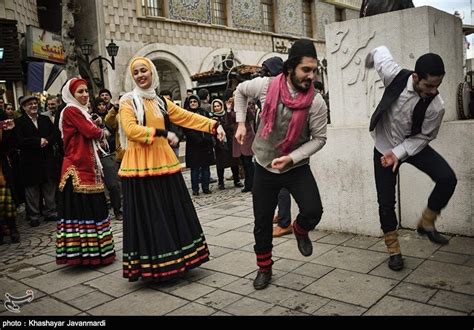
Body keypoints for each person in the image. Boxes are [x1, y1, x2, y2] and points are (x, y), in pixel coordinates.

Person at [118, 56, 225, 282]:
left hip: (164, 162)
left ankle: (178, 260)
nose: (140, 75)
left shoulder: (160, 102)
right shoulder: (128, 101)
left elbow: (186, 117)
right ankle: (156, 265)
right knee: (152, 214)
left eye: (144, 70)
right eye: (136, 72)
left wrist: (213, 125)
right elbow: (130, 129)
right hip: (140, 167)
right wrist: (161, 133)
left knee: (171, 211)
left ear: (152, 73)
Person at [234, 39, 328, 290]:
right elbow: (240, 91)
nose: (311, 75)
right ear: (290, 69)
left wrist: (293, 157)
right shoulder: (265, 86)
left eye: (314, 70)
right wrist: (241, 123)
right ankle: (264, 268)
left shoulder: (316, 102)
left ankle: (299, 229)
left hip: (295, 167)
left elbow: (320, 139)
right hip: (264, 165)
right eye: (305, 70)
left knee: (313, 211)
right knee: (262, 222)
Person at [365, 46, 457, 271]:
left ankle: (427, 221)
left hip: (412, 144)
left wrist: (399, 153)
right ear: (415, 77)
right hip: (383, 146)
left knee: (447, 178)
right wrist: (369, 60)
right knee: (386, 203)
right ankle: (393, 250)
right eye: (428, 85)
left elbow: (425, 136)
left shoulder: (437, 106)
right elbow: (380, 50)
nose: (433, 91)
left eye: (437, 86)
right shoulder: (393, 74)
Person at [56, 77, 116, 266]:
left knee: (92, 210)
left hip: (88, 167)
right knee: (83, 212)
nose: (84, 95)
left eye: (86, 91)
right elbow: (91, 131)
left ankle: (96, 253)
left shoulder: (81, 111)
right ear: (71, 95)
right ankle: (86, 256)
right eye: (79, 92)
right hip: (77, 169)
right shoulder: (71, 110)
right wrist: (102, 132)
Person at [15, 95, 59, 227]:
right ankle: (33, 215)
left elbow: (55, 134)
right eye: (30, 104)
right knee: (32, 190)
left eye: (35, 103)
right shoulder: (19, 122)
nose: (33, 106)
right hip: (30, 161)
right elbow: (19, 141)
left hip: (46, 159)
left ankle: (50, 212)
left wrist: (47, 140)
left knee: (49, 187)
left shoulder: (45, 119)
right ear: (23, 107)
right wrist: (37, 141)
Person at [210, 98, 242, 190]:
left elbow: (230, 125)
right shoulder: (212, 117)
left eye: (218, 106)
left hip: (230, 141)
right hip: (219, 143)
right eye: (215, 106)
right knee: (220, 164)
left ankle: (237, 180)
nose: (216, 108)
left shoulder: (226, 115)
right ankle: (221, 182)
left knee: (233, 162)